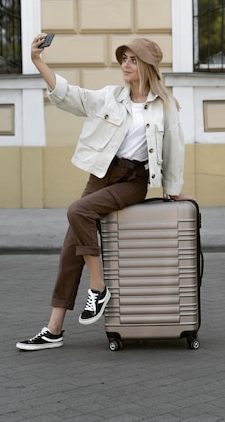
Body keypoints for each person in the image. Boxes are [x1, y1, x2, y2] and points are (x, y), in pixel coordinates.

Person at [17, 34, 193, 351]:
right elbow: (70, 95)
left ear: (148, 66)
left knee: (77, 211)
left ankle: (98, 288)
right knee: (71, 251)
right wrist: (38, 61)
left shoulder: (165, 106)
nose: (125, 64)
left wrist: (175, 194)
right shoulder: (110, 97)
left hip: (133, 181)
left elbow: (174, 150)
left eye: (133, 59)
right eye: (124, 59)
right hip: (102, 173)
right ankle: (53, 329)